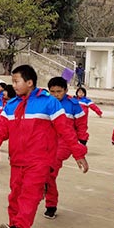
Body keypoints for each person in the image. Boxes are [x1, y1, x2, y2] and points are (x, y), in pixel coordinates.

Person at [0, 65, 88, 228]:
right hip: (17, 161)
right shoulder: (11, 105)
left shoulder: (48, 102)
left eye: (16, 81)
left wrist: (78, 152)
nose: (13, 85)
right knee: (15, 199)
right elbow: (1, 129)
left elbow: (65, 130)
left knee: (29, 197)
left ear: (29, 82)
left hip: (40, 161)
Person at [43, 76, 88, 219]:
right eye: (52, 92)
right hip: (46, 142)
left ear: (66, 90)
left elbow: (81, 126)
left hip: (64, 143)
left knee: (51, 170)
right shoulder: (45, 103)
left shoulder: (74, 105)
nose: (56, 95)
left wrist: (80, 147)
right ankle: (46, 195)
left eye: (59, 91)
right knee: (44, 173)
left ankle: (51, 205)